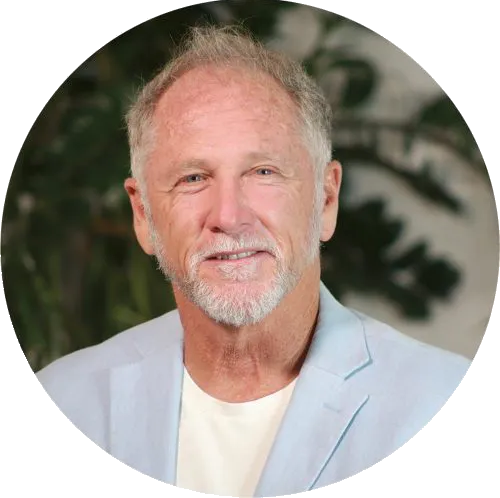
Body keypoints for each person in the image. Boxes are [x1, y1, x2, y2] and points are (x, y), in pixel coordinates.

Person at [35, 25, 471, 496]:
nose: (229, 216)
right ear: (143, 215)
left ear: (325, 200)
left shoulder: (439, 398)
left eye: (263, 172)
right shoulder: (66, 398)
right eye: (193, 178)